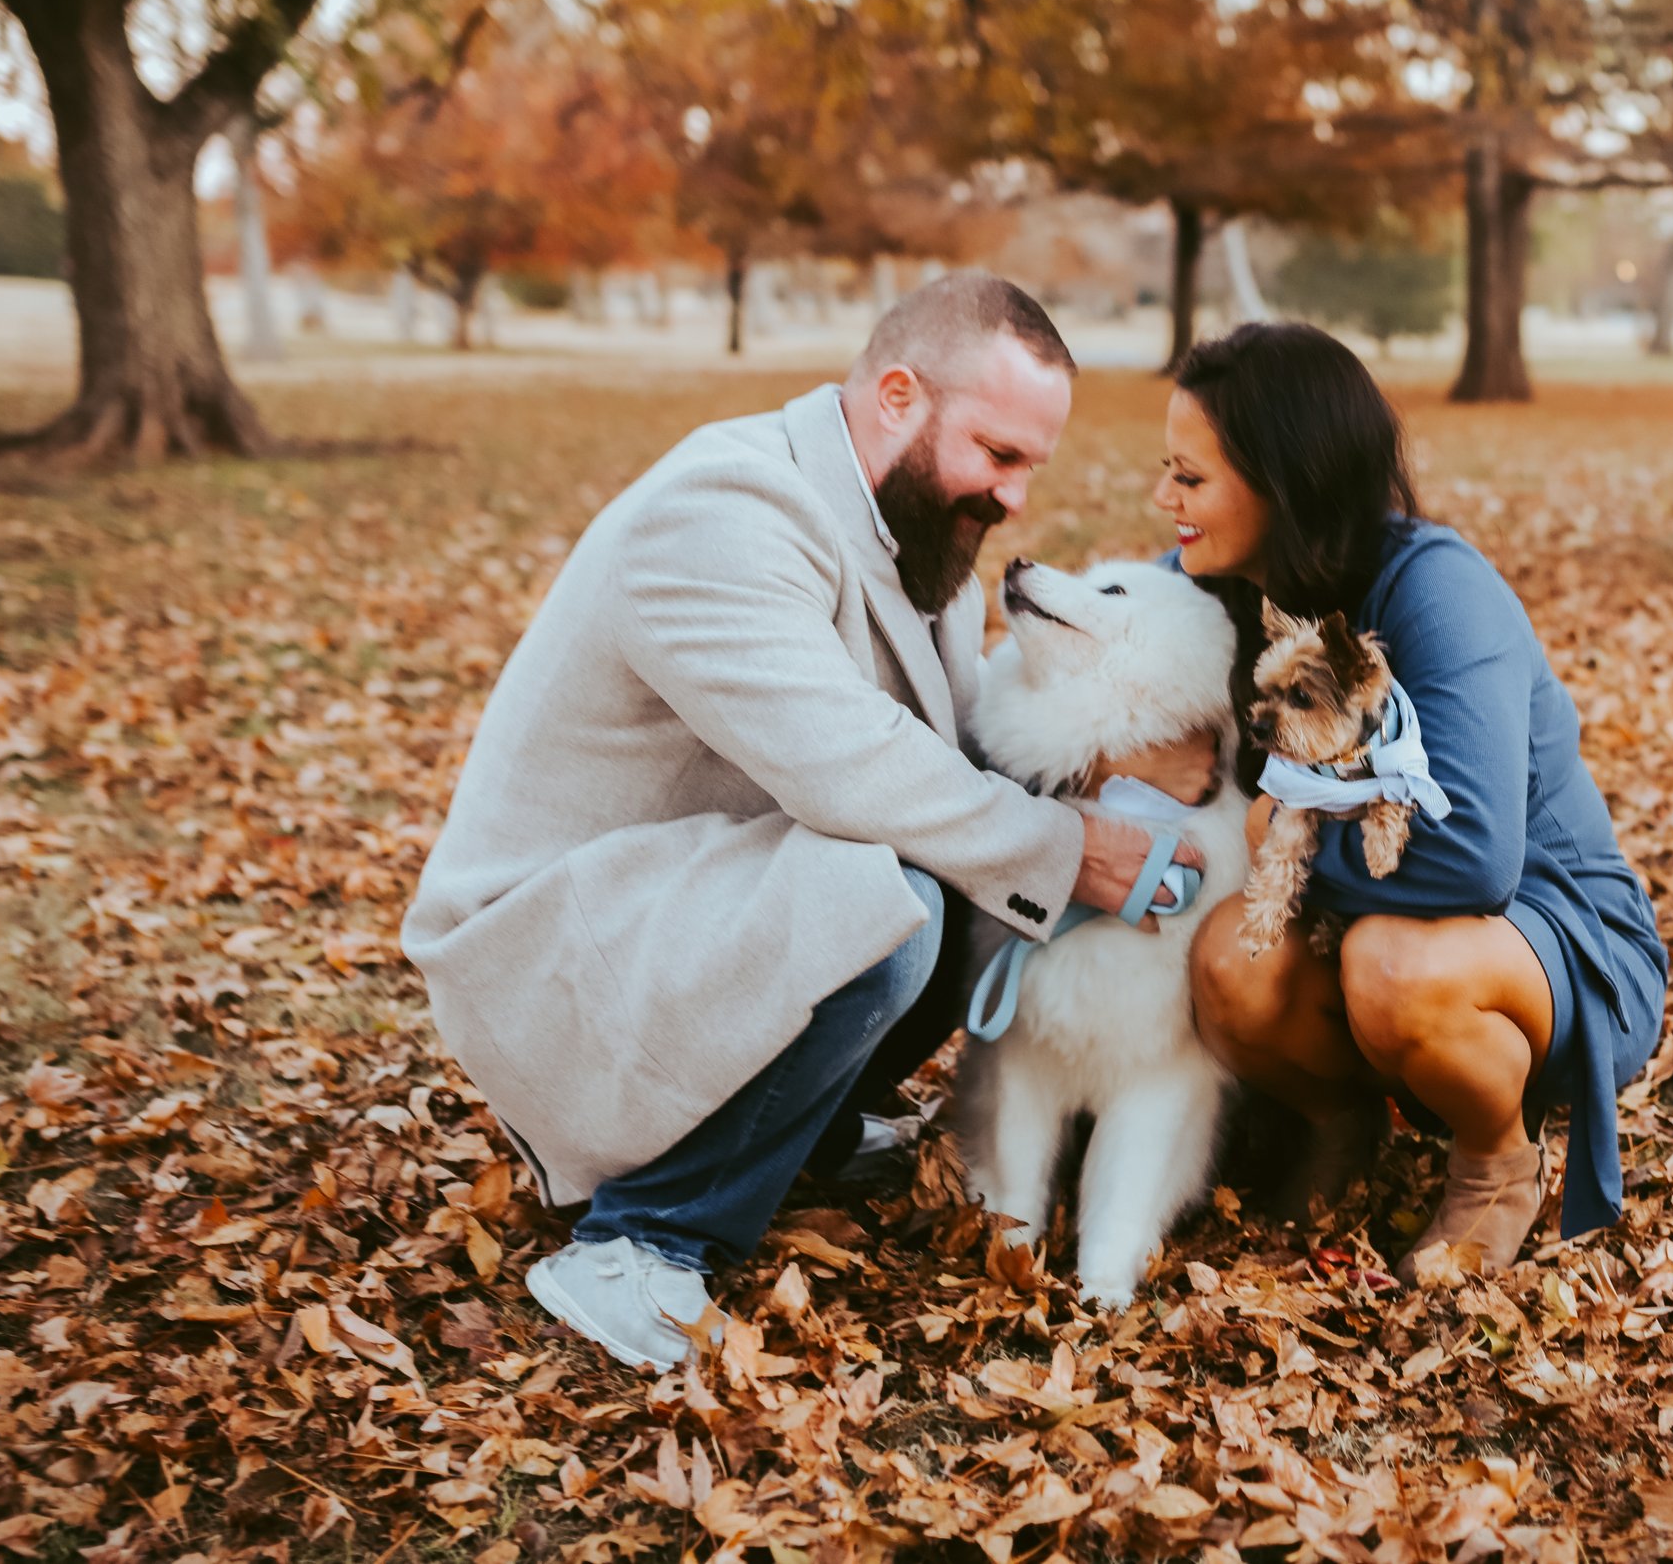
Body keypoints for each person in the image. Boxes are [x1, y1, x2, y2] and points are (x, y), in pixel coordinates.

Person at [402, 273, 1211, 1369]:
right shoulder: (726, 509)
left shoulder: (922, 533)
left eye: (1033, 465)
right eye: (997, 453)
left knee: (968, 872)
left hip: (695, 900)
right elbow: (856, 772)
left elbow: (968, 758)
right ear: (895, 395)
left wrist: (1148, 762)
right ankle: (640, 1238)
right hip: (556, 951)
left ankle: (804, 1134)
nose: (1015, 496)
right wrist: (1070, 852)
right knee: (894, 897)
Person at [1164, 322, 1668, 1280]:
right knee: (1231, 956)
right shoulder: (1237, 581)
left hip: (1556, 937)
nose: (1165, 500)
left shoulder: (1437, 587)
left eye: (1190, 479)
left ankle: (1495, 1161)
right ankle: (1341, 1128)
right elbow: (1116, 637)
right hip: (1394, 931)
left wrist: (1288, 840)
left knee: (1386, 961)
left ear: (1284, 478)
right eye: (1167, 471)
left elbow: (1475, 857)